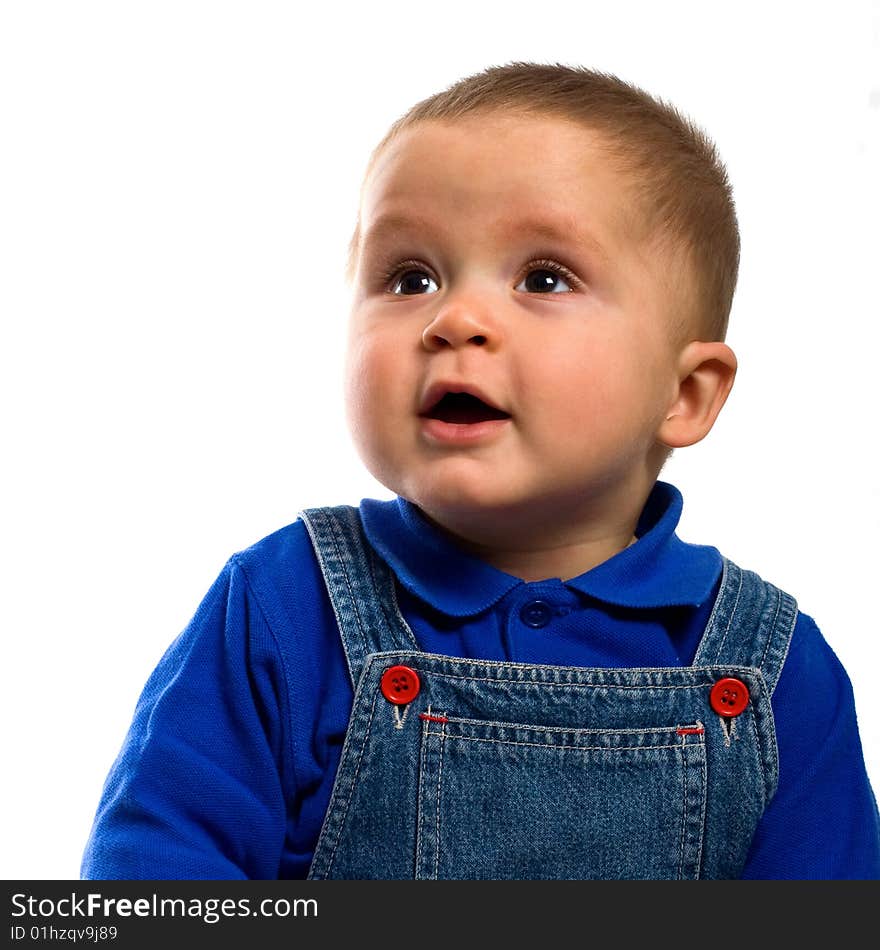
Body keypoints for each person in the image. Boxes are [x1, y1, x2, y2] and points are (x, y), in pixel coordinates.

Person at [80, 61, 880, 880]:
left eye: (543, 278)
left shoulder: (776, 673)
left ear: (683, 395)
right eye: (409, 278)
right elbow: (153, 879)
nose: (453, 318)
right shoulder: (286, 607)